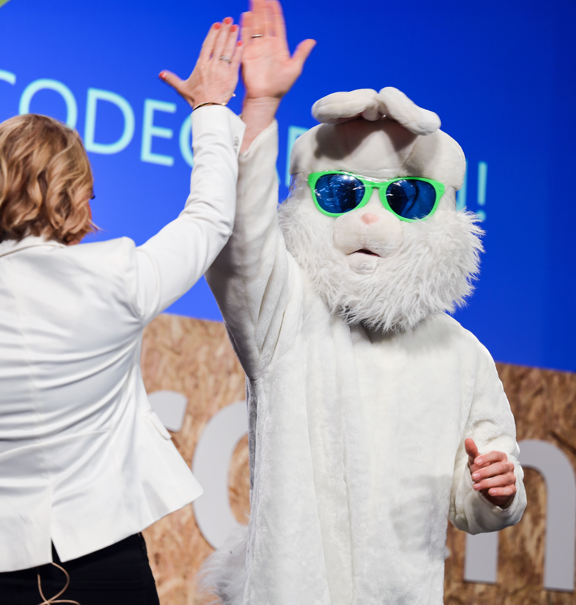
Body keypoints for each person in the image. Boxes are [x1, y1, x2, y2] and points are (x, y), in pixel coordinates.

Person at [0, 17, 244, 605]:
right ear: (74, 194)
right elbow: (209, 218)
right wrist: (209, 109)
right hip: (105, 570)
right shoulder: (118, 275)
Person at [202, 2, 524, 603]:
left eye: (406, 197)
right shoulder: (285, 314)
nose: (371, 216)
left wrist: (496, 489)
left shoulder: (461, 355)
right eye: (341, 192)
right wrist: (261, 108)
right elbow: (242, 245)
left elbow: (477, 490)